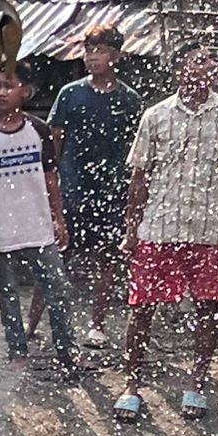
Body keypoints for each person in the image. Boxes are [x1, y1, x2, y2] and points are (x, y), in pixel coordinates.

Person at [115, 45, 218, 422]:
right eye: (200, 60)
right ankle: (132, 385)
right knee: (142, 308)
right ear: (180, 69)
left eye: (213, 61)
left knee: (208, 310)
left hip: (210, 230)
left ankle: (197, 383)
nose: (209, 67)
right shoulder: (156, 115)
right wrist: (131, 230)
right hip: (159, 228)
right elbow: (139, 177)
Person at [0, 61, 89, 378]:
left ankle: (67, 351)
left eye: (9, 85)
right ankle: (17, 352)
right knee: (7, 296)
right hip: (1, 226)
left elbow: (50, 177)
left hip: (37, 225)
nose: (2, 92)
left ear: (26, 91)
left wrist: (58, 218)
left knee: (58, 291)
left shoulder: (38, 130)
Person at [45, 23, 143, 347]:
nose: (92, 57)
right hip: (73, 187)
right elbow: (55, 139)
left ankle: (97, 324)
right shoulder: (70, 93)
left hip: (112, 190)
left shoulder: (130, 99)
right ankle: (54, 323)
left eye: (99, 51)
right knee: (62, 255)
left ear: (115, 56)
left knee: (107, 259)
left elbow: (135, 150)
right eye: (88, 50)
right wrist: (54, 183)